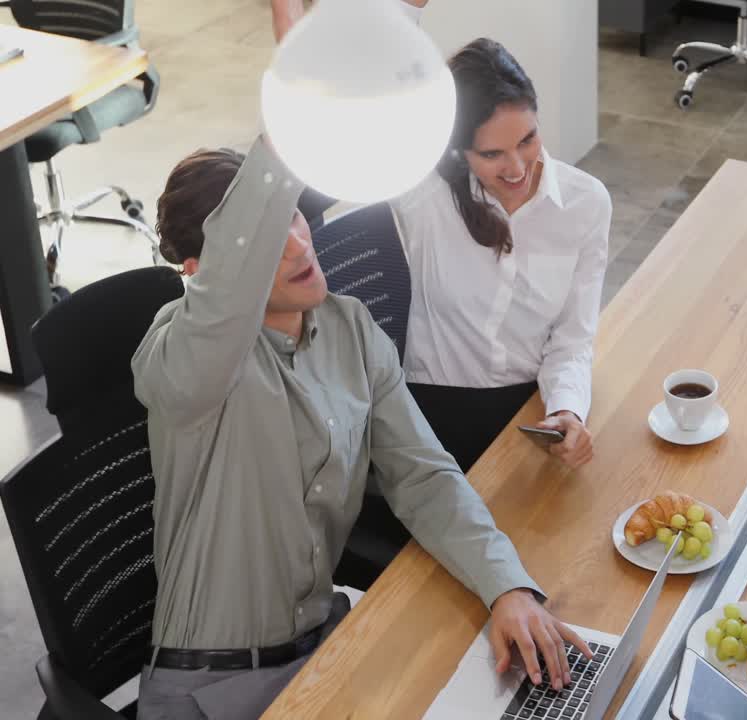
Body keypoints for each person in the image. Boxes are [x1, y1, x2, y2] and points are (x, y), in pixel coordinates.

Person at [131, 137, 588, 719]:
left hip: (324, 647)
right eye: (269, 241)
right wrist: (290, 112)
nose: (301, 243)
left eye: (295, 216)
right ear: (200, 276)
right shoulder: (181, 358)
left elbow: (423, 475)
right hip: (211, 689)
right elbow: (218, 304)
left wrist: (509, 588)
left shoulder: (348, 328)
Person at [391, 34, 610, 474]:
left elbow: (572, 339)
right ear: (459, 150)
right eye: (492, 154)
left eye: (527, 139)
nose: (517, 168)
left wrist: (568, 409)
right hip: (428, 416)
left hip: (529, 408)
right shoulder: (420, 198)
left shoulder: (586, 203)